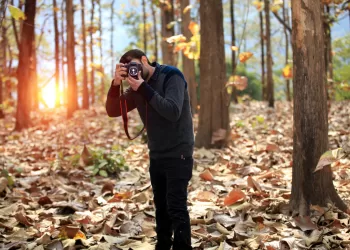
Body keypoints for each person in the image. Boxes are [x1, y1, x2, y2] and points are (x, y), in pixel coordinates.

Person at [105, 49, 194, 250]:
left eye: (135, 65)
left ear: (144, 60)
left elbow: (172, 111)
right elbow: (112, 110)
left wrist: (143, 88)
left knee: (176, 206)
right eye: (128, 69)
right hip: (157, 153)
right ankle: (163, 245)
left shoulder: (172, 75)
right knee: (161, 207)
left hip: (179, 152)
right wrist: (116, 84)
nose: (133, 70)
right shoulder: (136, 87)